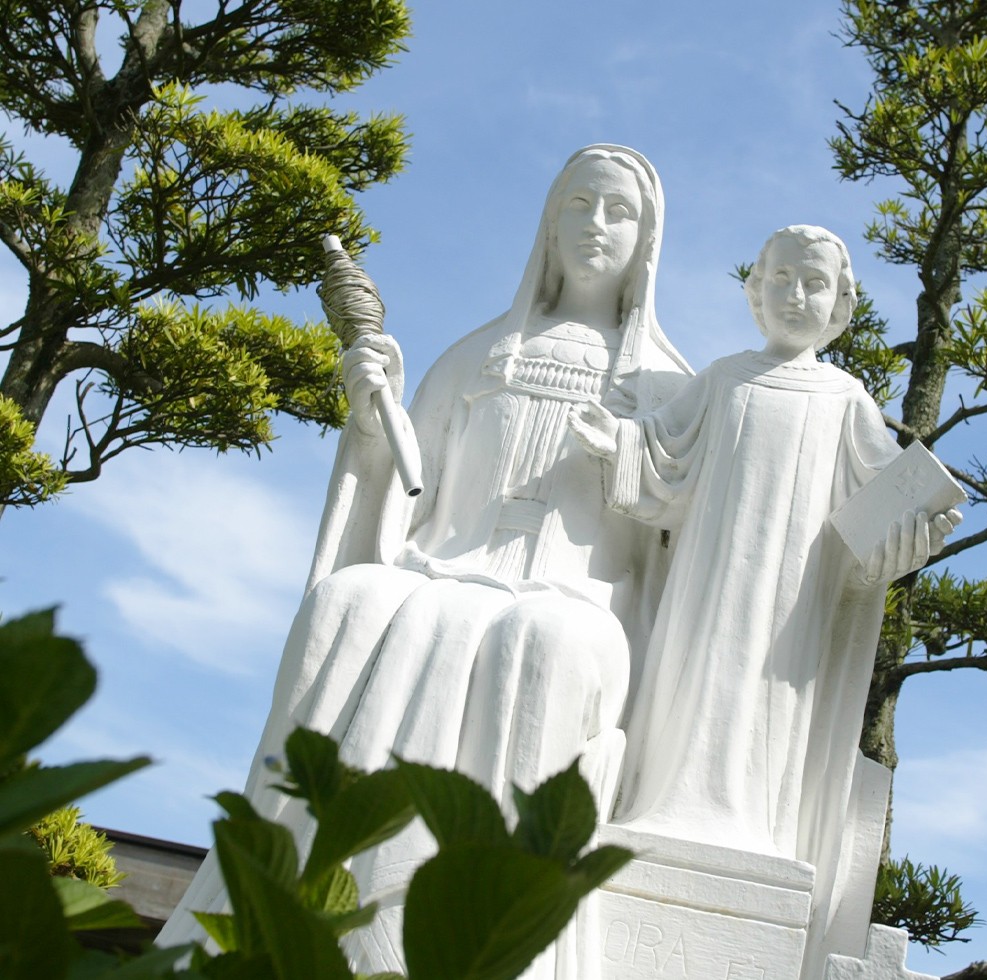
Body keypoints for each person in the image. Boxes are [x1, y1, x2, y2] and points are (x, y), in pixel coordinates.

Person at [158, 145, 691, 973]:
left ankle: (488, 928)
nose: (596, 226)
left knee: (541, 646)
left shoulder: (667, 387)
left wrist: (629, 462)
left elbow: (680, 539)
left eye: (619, 212)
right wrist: (375, 413)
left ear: (649, 241)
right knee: (354, 603)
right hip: (444, 566)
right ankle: (291, 900)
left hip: (576, 596)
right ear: (549, 222)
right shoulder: (478, 355)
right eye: (579, 204)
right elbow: (408, 486)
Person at [569, 224, 959, 867]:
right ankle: (663, 805)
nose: (796, 295)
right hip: (707, 577)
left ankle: (753, 828)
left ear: (840, 304)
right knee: (689, 685)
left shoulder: (845, 399)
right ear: (755, 291)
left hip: (792, 596)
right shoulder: (724, 380)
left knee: (768, 709)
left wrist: (914, 532)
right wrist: (618, 442)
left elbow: (880, 502)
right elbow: (667, 454)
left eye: (814, 284)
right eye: (780, 278)